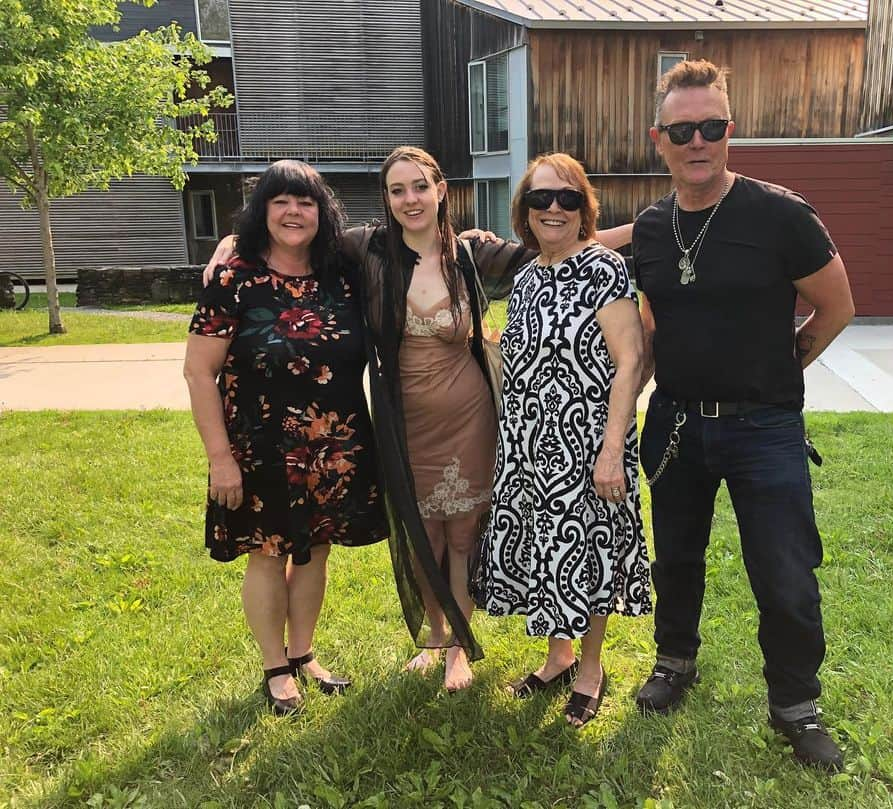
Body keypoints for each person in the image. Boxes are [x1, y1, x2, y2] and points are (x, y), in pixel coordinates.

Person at [206, 147, 633, 692]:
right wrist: (231, 242)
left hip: (470, 414)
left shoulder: (472, 253)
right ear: (387, 199)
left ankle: (459, 645)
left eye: (419, 187)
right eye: (397, 190)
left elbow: (561, 246)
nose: (410, 199)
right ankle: (434, 635)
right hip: (403, 421)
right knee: (422, 535)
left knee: (463, 534)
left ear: (441, 191)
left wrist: (639, 230)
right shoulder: (368, 250)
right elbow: (293, 235)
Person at [632, 60, 855, 771]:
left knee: (786, 572)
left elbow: (838, 305)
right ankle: (674, 662)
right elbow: (592, 250)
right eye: (682, 129)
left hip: (766, 427)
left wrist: (787, 363)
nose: (698, 140)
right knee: (677, 558)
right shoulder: (651, 227)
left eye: (712, 127)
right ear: (658, 138)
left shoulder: (780, 215)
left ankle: (796, 706)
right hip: (674, 423)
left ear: (731, 130)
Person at [184, 160, 388, 715]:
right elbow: (199, 373)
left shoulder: (341, 275)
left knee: (316, 551)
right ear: (262, 212)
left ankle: (303, 655)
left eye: (306, 202)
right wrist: (219, 459)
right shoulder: (235, 281)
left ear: (323, 214)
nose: (294, 212)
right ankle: (275, 668)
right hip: (259, 450)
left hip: (333, 446)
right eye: (280, 202)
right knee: (268, 555)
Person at [471, 153, 651, 727]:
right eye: (541, 198)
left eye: (567, 198)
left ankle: (592, 668)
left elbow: (630, 362)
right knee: (547, 551)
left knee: (590, 554)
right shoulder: (524, 278)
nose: (554, 208)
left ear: (583, 209)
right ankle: (558, 657)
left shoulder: (603, 270)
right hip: (528, 445)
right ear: (524, 211)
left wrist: (612, 448)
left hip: (588, 444)